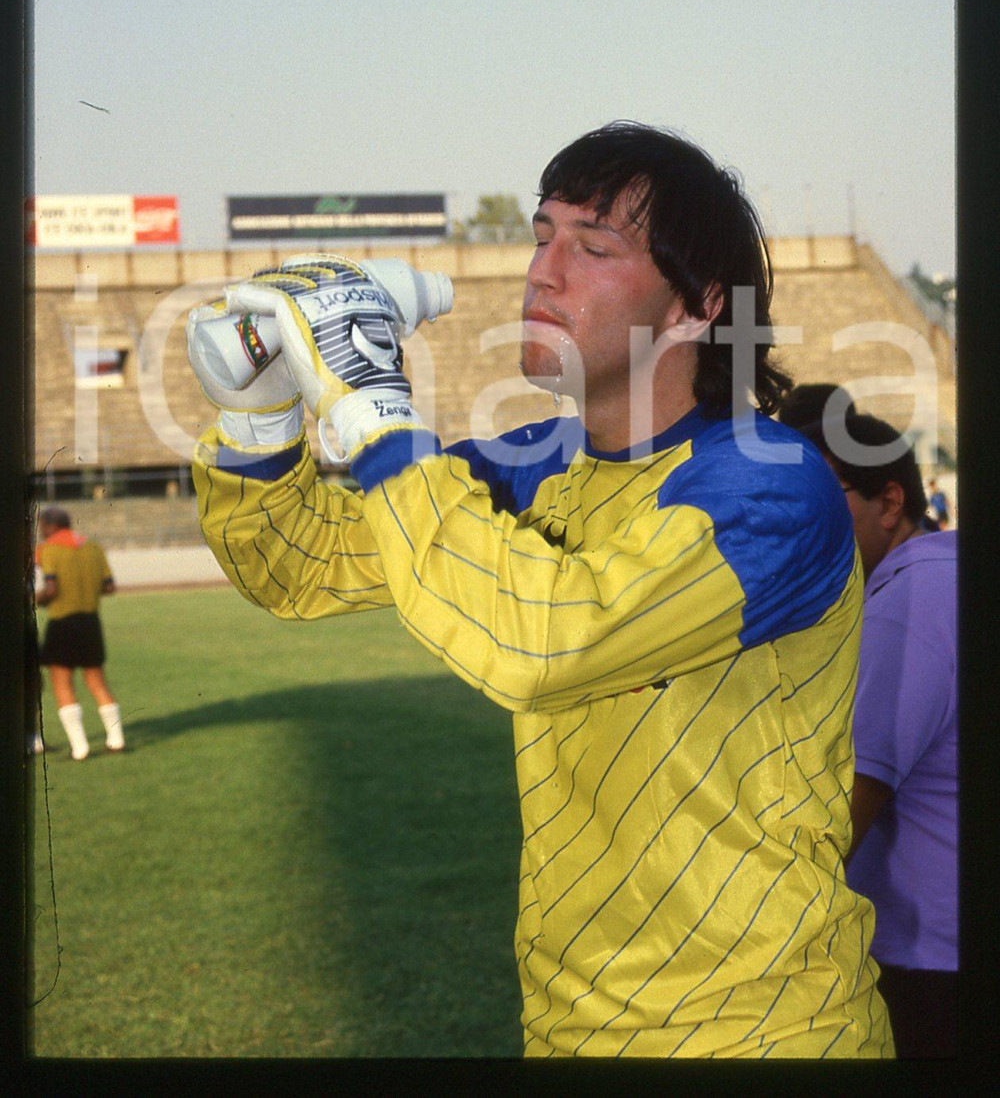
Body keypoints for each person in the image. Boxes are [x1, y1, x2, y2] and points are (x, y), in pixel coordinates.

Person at [190, 121, 893, 1058]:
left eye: (593, 247)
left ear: (700, 305)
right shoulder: (533, 464)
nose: (542, 272)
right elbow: (297, 565)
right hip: (567, 1025)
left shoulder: (773, 484)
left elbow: (544, 642)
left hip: (759, 1028)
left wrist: (374, 407)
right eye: (540, 235)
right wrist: (259, 412)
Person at [786, 411, 958, 1059]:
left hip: (923, 961)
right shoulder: (943, 572)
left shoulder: (904, 607)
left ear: (890, 501)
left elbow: (844, 809)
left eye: (819, 502)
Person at [35, 505, 126, 761]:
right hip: (90, 622)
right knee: (97, 681)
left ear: (50, 526)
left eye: (42, 526)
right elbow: (109, 587)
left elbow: (51, 588)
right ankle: (116, 740)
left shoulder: (49, 548)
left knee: (62, 683)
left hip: (63, 623)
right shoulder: (92, 546)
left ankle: (80, 748)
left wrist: (37, 599)